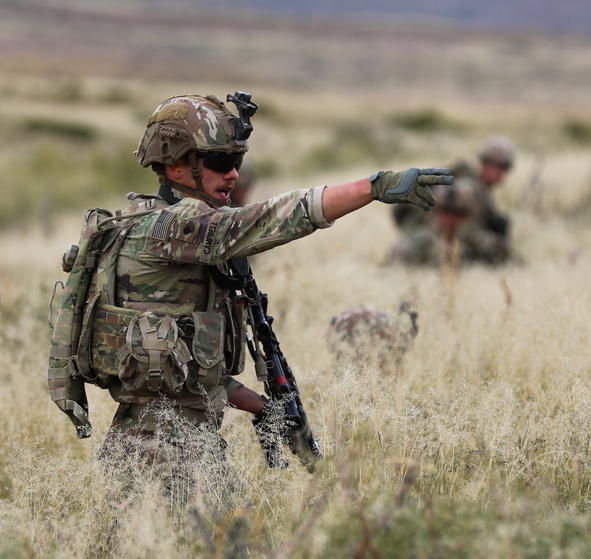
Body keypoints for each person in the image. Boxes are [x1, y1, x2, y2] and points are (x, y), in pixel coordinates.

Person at [51, 92, 451, 510]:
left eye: (237, 163)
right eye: (220, 163)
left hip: (163, 443)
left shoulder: (154, 229)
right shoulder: (174, 227)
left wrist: (266, 409)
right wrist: (372, 188)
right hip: (165, 453)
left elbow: (189, 373)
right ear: (174, 165)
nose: (233, 175)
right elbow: (269, 220)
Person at [390, 135, 516, 266]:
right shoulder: (469, 189)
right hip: (438, 245)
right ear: (484, 163)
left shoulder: (475, 187)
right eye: (499, 167)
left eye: (504, 168)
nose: (501, 174)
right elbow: (466, 231)